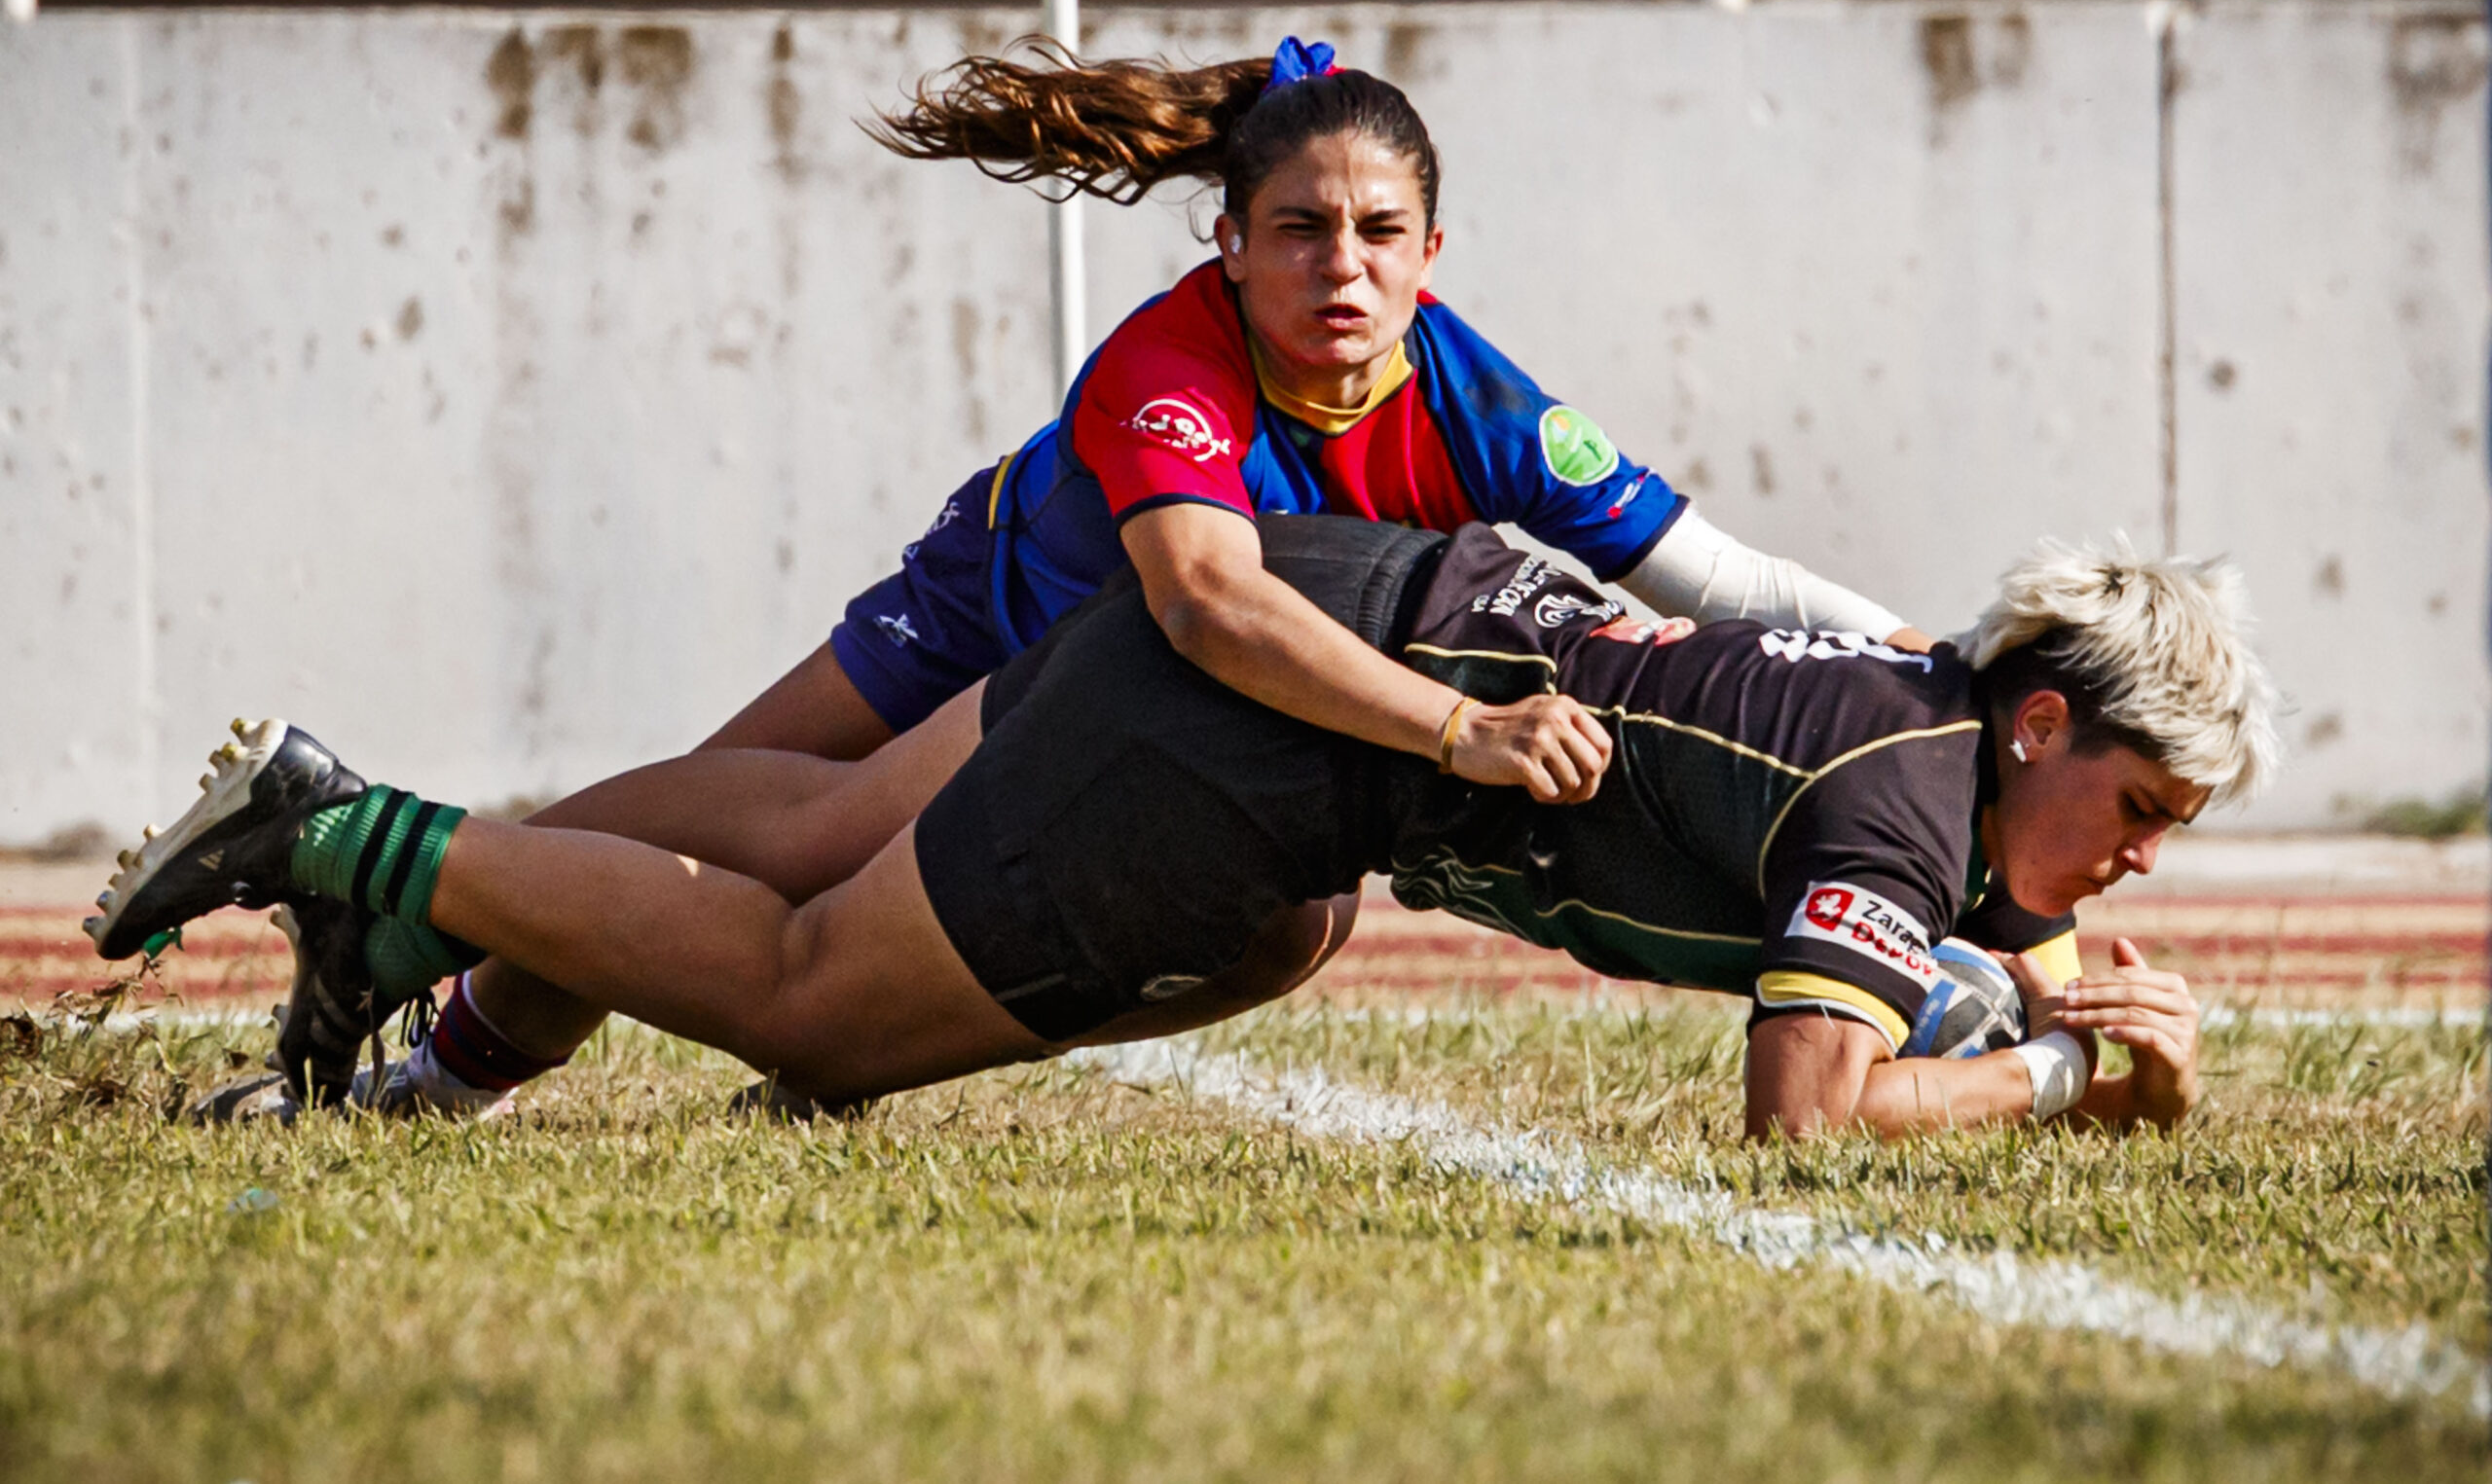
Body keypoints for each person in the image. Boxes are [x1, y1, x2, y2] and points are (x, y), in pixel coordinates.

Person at [160, 33, 1937, 1114]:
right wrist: (1458, 736)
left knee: (1286, 928)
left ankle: (490, 932)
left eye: (1380, 236)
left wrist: (1913, 661)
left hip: (1155, 707)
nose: (1343, 268)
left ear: (1431, 255)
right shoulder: (1165, 365)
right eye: (1300, 230)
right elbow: (1204, 605)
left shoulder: (1462, 377)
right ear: (1224, 243)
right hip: (988, 634)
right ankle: (439, 997)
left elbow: (1714, 572)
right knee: (742, 849)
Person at [91, 516, 2277, 1139]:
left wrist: (2052, 990)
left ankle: (436, 947)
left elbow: (1964, 913)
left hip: (1308, 619)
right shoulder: (1892, 807)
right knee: (809, 1007)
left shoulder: (1927, 755)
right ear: (2025, 722)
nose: (2147, 854)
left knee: (873, 850)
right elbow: (1809, 1112)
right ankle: (356, 835)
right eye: (2142, 804)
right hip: (1261, 730)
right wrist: (2049, 1069)